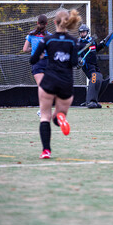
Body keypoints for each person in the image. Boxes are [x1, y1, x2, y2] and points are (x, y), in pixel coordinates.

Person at [30, 9, 81, 159]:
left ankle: (46, 151)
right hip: (66, 83)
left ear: (54, 22)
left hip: (49, 82)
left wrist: (40, 55)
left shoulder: (47, 40)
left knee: (44, 116)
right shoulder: (73, 41)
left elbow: (32, 60)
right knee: (58, 116)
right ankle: (60, 117)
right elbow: (74, 63)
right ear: (68, 22)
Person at [23, 14, 51, 116]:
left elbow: (25, 49)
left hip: (36, 62)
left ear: (37, 23)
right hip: (48, 62)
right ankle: (44, 109)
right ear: (47, 24)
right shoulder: (50, 36)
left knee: (41, 86)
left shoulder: (31, 34)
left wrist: (34, 50)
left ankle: (42, 109)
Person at [77, 24, 111, 109]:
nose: (82, 34)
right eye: (81, 33)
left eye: (84, 32)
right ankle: (90, 101)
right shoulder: (78, 43)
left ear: (87, 32)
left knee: (100, 80)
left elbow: (96, 49)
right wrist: (79, 60)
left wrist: (102, 44)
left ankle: (94, 100)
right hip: (87, 66)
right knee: (94, 78)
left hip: (94, 64)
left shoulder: (91, 40)